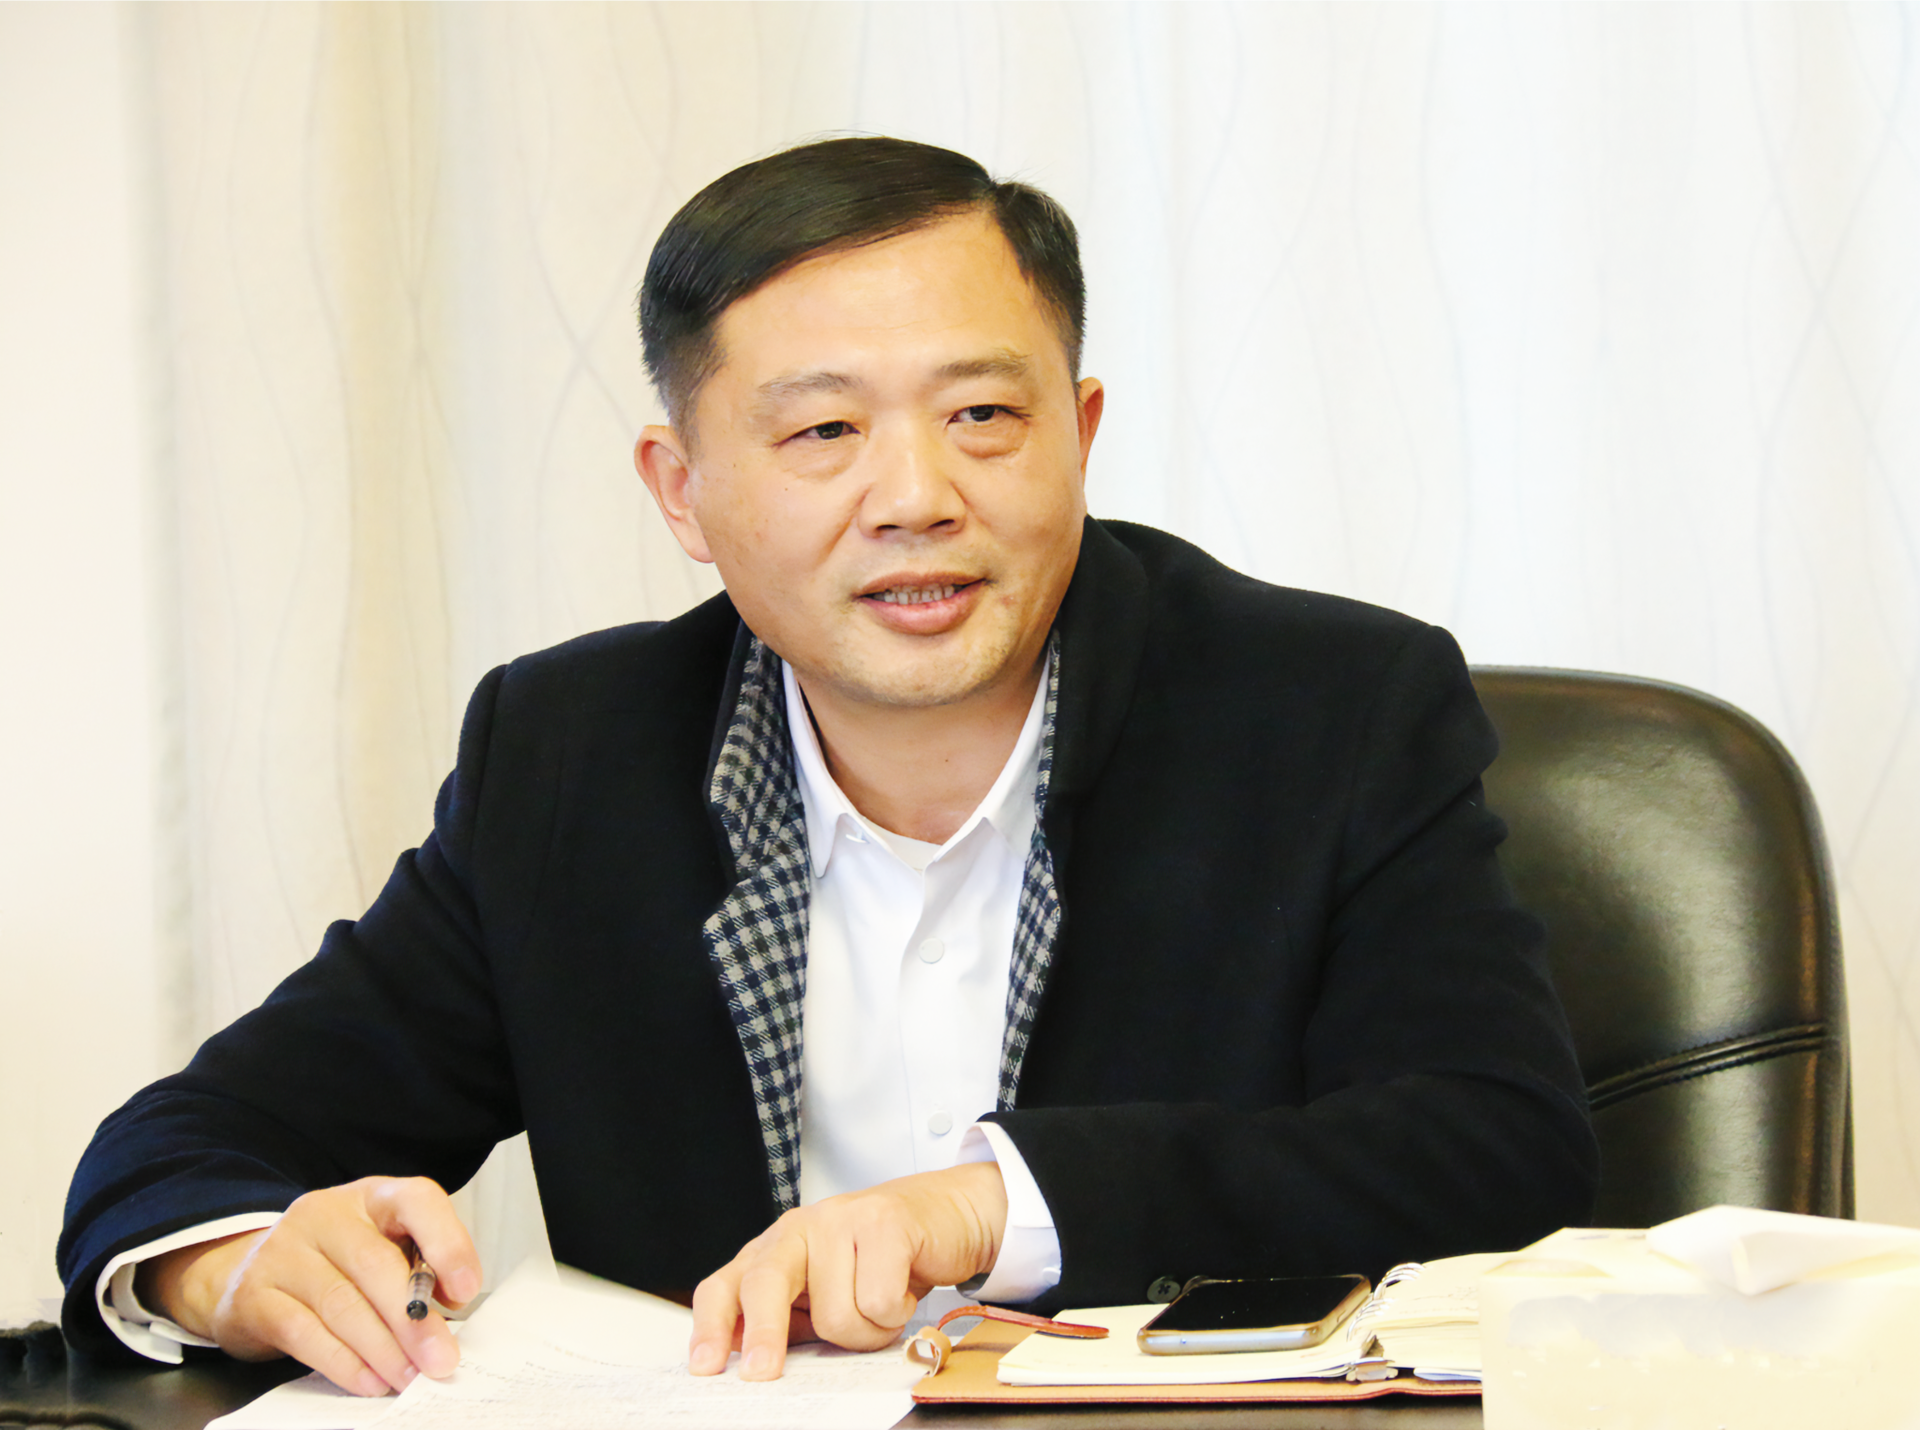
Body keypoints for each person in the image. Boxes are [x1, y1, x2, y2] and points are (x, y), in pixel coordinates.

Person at [59, 136, 1597, 1395]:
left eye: (982, 414)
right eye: (822, 434)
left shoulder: (1330, 707)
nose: (915, 495)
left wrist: (992, 1204)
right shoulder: (571, 757)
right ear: (682, 490)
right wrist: (234, 1264)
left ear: (1081, 431)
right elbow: (185, 1147)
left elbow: (1500, 1146)